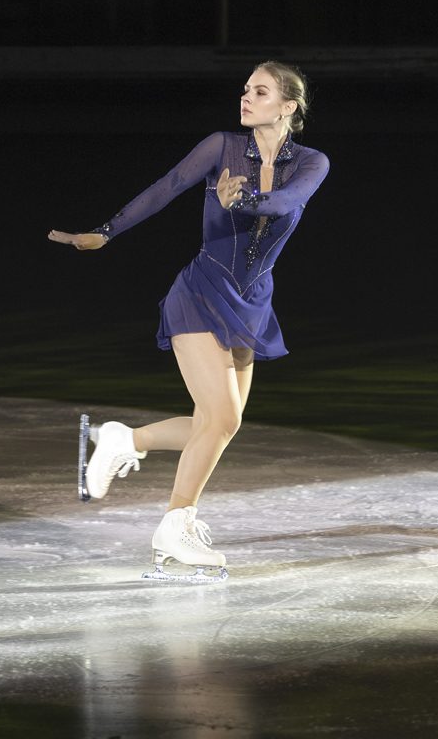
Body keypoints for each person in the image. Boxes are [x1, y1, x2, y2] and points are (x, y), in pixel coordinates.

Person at [48, 61, 330, 582]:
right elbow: (167, 186)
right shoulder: (221, 147)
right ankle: (175, 526)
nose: (246, 98)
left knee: (219, 423)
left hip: (253, 302)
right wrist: (106, 231)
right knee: (220, 419)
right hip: (201, 292)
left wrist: (243, 199)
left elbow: (288, 200)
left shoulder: (311, 162)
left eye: (260, 91)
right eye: (246, 89)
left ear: (287, 106)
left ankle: (124, 441)